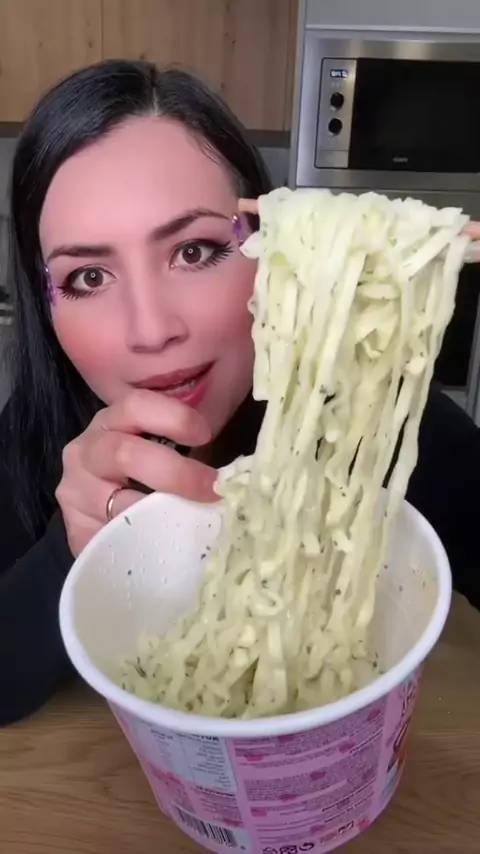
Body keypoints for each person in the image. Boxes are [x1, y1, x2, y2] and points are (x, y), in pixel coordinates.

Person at [0, 60, 478, 729]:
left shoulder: (383, 427)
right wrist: (69, 549)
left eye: (194, 251)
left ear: (275, 253)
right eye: (88, 277)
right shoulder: (31, 438)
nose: (152, 330)